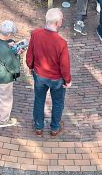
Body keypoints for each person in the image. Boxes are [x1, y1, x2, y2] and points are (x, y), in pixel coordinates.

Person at [27, 9, 71, 137]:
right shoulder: (61, 43)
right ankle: (54, 128)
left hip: (39, 75)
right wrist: (67, 80)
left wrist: (30, 66)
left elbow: (30, 54)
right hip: (56, 79)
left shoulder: (35, 34)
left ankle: (38, 127)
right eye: (61, 19)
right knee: (58, 102)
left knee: (39, 100)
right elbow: (65, 66)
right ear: (58, 23)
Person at [0, 21, 24, 129]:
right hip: (3, 78)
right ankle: (2, 120)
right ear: (9, 34)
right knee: (5, 99)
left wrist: (8, 44)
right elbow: (13, 67)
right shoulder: (7, 52)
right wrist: (17, 54)